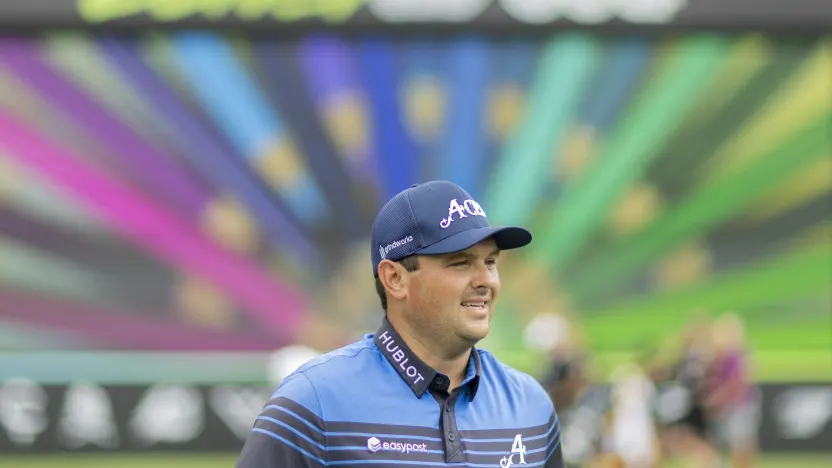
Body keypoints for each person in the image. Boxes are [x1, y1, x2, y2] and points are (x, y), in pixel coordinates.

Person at [236, 180, 564, 467]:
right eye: (460, 263)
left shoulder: (531, 405)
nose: (485, 280)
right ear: (395, 279)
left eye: (490, 262)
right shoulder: (313, 403)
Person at [706, 313, 760, 468]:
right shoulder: (722, 357)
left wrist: (718, 397)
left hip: (737, 406)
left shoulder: (736, 356)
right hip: (733, 406)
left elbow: (737, 384)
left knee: (740, 445)